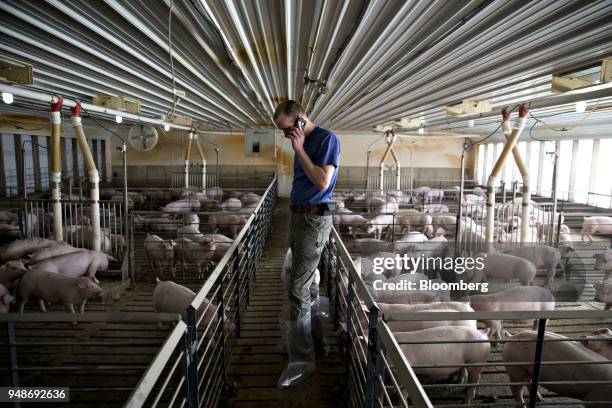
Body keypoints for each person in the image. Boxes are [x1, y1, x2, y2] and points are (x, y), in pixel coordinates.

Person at [274, 99, 340, 387]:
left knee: (298, 288)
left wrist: (299, 149)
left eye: (288, 129)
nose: (287, 136)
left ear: (301, 119)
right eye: (284, 132)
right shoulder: (301, 142)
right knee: (308, 286)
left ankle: (302, 360)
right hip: (300, 216)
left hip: (313, 220)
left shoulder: (326, 139)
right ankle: (315, 345)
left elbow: (323, 183)